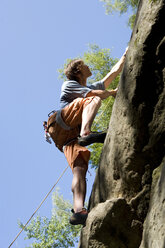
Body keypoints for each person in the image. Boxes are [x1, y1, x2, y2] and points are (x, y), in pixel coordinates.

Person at [46, 47, 128, 225]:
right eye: (84, 65)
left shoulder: (85, 86)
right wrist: (112, 93)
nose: (88, 66)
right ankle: (86, 132)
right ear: (77, 70)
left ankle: (78, 211)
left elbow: (110, 77)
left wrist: (124, 56)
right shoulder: (69, 85)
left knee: (80, 169)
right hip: (61, 123)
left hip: (66, 139)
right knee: (93, 99)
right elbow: (94, 94)